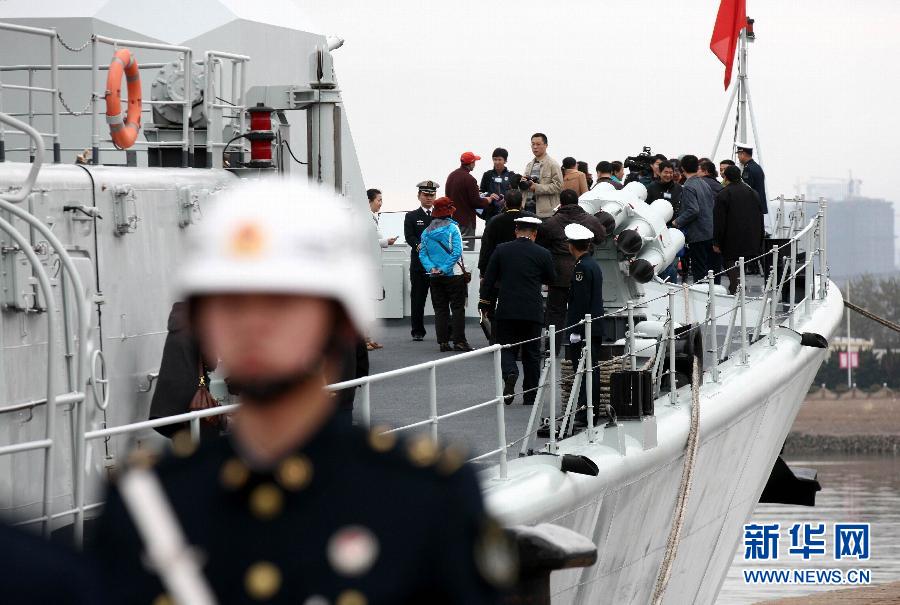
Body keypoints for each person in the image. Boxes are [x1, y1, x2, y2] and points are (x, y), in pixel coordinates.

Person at [93, 179, 514, 605]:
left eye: (282, 303)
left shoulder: (427, 500)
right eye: (231, 304)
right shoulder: (148, 504)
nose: (254, 325)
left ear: (342, 323)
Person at [479, 217, 555, 405]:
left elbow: (488, 280)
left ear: (516, 231)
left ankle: (511, 372)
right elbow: (551, 278)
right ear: (534, 234)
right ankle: (530, 395)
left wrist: (484, 304)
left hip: (507, 309)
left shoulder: (502, 250)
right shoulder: (543, 253)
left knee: (505, 347)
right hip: (532, 310)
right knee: (532, 353)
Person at [537, 189, 606, 341]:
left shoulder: (551, 222)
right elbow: (601, 238)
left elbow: (541, 244)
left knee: (555, 311)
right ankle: (583, 342)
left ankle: (552, 346)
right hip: (584, 269)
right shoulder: (590, 220)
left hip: (558, 274)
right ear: (577, 202)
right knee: (584, 308)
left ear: (560, 203)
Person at [148, 302, 224, 439]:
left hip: (168, 396)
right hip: (192, 393)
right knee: (200, 437)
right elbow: (211, 363)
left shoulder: (175, 327)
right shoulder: (200, 328)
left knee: (181, 439)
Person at [564, 223, 604, 426]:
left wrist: (576, 331)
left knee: (585, 369)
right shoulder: (593, 265)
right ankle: (589, 411)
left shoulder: (581, 268)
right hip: (594, 325)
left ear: (572, 246)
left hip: (584, 328)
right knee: (591, 369)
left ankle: (585, 412)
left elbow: (580, 302)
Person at [419, 197, 471, 352]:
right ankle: (459, 341)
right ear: (449, 212)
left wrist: (433, 268)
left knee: (440, 309)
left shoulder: (426, 232)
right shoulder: (453, 229)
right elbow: (457, 252)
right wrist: (444, 268)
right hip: (453, 275)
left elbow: (422, 254)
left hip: (434, 276)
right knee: (457, 308)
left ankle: (443, 342)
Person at [714, 165, 765, 294]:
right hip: (750, 237)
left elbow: (719, 221)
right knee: (744, 263)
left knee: (730, 262)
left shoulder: (723, 194)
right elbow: (760, 217)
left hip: (731, 237)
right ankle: (739, 285)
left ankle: (735, 287)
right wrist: (760, 238)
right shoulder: (753, 193)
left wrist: (716, 242)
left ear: (726, 177)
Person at [673, 154, 720, 283]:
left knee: (699, 271)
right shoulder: (704, 184)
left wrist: (677, 221)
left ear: (682, 168)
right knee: (711, 270)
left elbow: (693, 210)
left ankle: (702, 298)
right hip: (709, 232)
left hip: (697, 234)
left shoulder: (688, 186)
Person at [404, 180, 438, 341]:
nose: (429, 198)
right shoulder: (411, 216)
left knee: (441, 300)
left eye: (432, 195)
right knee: (418, 299)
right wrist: (419, 246)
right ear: (419, 196)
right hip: (419, 265)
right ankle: (417, 330)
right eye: (425, 195)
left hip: (438, 265)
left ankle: (446, 330)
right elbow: (409, 236)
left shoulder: (440, 215)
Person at [446, 151, 491, 248]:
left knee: (453, 252)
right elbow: (476, 202)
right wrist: (488, 200)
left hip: (451, 222)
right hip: (466, 222)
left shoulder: (451, 176)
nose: (475, 164)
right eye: (474, 162)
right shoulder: (470, 179)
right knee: (466, 254)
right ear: (471, 163)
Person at [522, 133, 563, 217]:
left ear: (546, 145)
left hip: (545, 212)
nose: (535, 147)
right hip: (527, 208)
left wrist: (536, 187)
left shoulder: (553, 164)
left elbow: (559, 186)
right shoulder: (529, 165)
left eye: (538, 144)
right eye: (533, 144)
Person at [736, 143, 768, 217]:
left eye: (739, 154)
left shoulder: (748, 169)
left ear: (743, 154)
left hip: (752, 206)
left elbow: (746, 188)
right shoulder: (756, 166)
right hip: (758, 205)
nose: (738, 157)